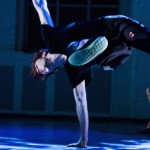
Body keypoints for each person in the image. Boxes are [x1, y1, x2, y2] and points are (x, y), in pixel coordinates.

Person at [31, 0, 150, 148]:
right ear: (52, 72)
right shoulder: (73, 70)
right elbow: (81, 103)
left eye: (36, 68)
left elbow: (41, 6)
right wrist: (83, 140)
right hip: (114, 56)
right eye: (42, 75)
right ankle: (83, 48)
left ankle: (81, 46)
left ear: (41, 56)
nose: (41, 72)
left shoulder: (51, 38)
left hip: (115, 27)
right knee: (90, 65)